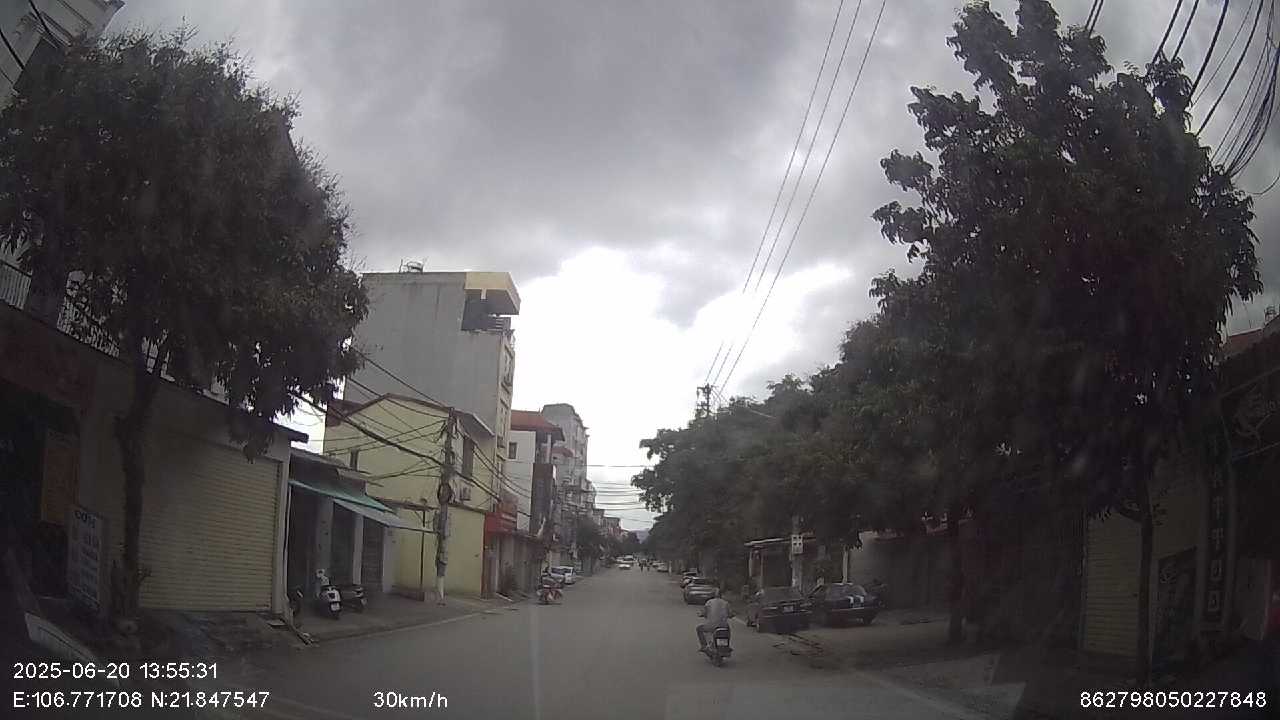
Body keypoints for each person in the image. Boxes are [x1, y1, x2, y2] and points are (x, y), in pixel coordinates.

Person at [697, 588, 732, 652]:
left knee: (699, 628)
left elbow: (704, 612)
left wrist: (701, 614)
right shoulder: (725, 603)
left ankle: (703, 645)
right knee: (728, 630)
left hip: (710, 626)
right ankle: (727, 645)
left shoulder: (709, 602)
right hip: (723, 626)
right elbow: (730, 614)